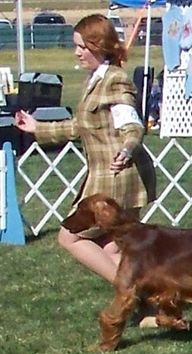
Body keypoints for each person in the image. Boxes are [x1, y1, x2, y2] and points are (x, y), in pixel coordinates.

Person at [15, 14, 157, 323]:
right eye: (75, 46)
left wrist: (127, 147)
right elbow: (81, 126)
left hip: (118, 178)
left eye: (82, 46)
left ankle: (130, 291)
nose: (76, 52)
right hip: (105, 177)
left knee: (70, 237)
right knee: (112, 249)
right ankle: (150, 309)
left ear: (100, 46)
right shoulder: (95, 79)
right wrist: (37, 127)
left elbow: (131, 124)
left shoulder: (115, 79)